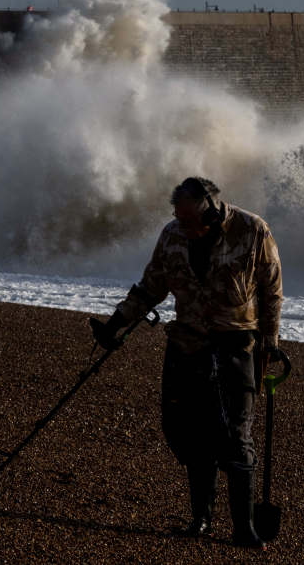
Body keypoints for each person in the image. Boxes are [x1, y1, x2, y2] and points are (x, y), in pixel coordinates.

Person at [90, 176, 283, 549]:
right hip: (187, 345)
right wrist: (114, 324)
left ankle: (244, 529)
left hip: (234, 347)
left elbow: (270, 290)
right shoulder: (172, 235)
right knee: (187, 432)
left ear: (210, 214)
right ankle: (201, 520)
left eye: (190, 222)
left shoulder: (252, 230)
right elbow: (150, 286)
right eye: (178, 219)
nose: (184, 228)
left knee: (235, 438)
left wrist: (270, 342)